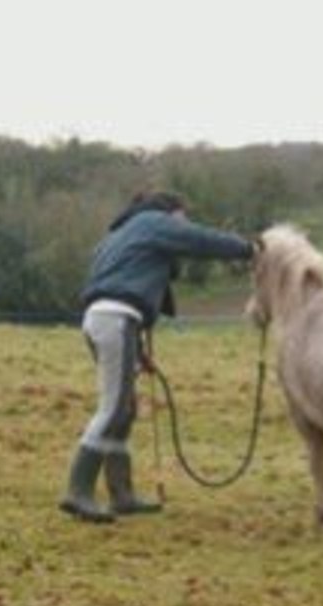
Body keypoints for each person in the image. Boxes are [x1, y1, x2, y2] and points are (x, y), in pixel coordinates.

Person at [60, 191, 255, 523]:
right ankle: (78, 491)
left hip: (105, 319)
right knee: (113, 408)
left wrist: (137, 351)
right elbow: (200, 240)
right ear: (169, 212)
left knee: (125, 410)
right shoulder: (153, 221)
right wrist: (249, 248)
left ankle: (122, 494)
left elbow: (120, 281)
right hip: (116, 318)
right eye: (182, 216)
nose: (184, 223)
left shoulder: (120, 234)